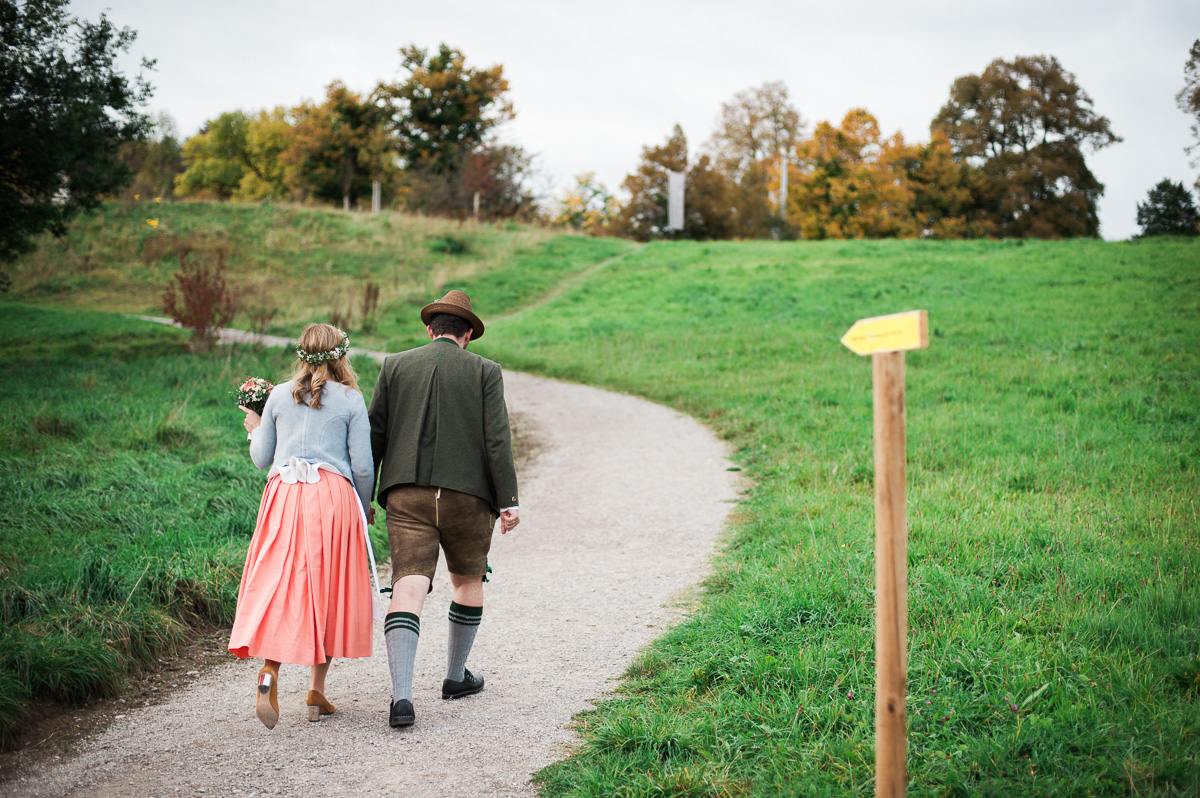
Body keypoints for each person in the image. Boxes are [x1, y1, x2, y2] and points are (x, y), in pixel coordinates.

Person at [369, 290, 520, 729]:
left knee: (408, 586)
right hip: (468, 496)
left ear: (430, 329)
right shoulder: (486, 371)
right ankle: (455, 677)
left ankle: (401, 698)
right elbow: (497, 440)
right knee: (468, 579)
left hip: (406, 493)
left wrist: (364, 497)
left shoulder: (395, 365)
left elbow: (375, 435)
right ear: (468, 333)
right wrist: (507, 501)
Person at [229, 323, 378, 729]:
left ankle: (270, 671)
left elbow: (262, 459)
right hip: (331, 498)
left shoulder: (278, 395)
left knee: (283, 582)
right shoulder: (350, 400)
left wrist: (255, 428)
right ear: (340, 355)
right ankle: (315, 691)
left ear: (301, 353)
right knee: (324, 587)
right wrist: (364, 509)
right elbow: (362, 465)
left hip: (283, 497)